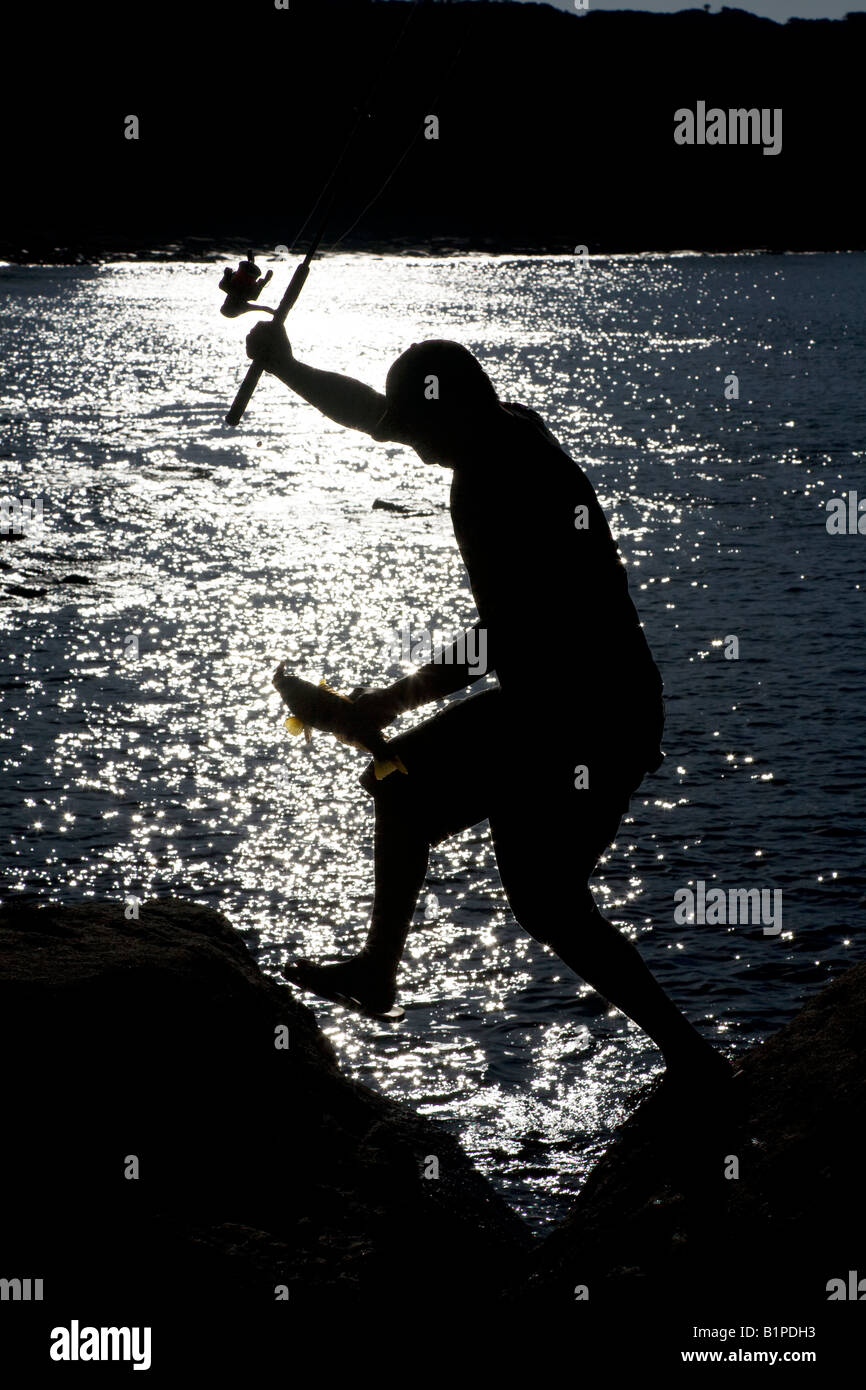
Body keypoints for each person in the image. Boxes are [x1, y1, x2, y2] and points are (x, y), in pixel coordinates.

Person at [246, 322, 731, 1086]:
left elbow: (497, 638)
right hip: (563, 705)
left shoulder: (504, 481)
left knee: (518, 877)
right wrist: (288, 367)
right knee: (519, 878)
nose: (410, 447)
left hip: (591, 717)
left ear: (454, 413)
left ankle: (688, 1056)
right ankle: (688, 1056)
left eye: (420, 431)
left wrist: (387, 703)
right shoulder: (495, 426)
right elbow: (376, 415)